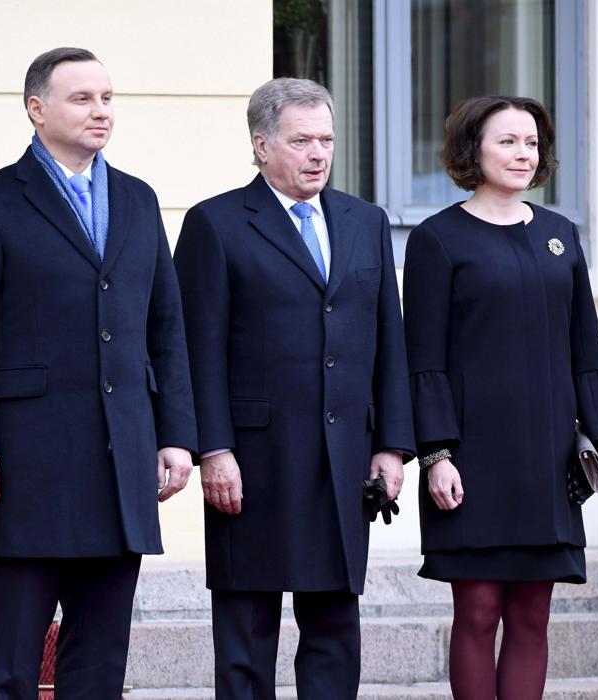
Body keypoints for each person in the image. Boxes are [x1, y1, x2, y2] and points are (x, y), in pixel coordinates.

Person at [0, 47, 197, 699]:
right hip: (29, 463)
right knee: (13, 660)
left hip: (122, 461)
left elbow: (165, 328)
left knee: (101, 657)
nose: (100, 111)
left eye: (107, 98)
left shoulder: (139, 200)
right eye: (82, 98)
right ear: (37, 109)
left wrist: (176, 436)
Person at [173, 78, 416, 700]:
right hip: (253, 460)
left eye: (327, 140)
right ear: (261, 145)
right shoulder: (216, 223)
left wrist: (391, 445)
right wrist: (213, 450)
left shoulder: (365, 221)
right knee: (248, 634)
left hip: (343, 461)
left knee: (335, 629)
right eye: (301, 140)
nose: (318, 154)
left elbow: (389, 337)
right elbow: (197, 350)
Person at [403, 96, 598, 700]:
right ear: (473, 148)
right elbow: (422, 359)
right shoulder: (436, 239)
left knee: (531, 616)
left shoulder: (560, 234)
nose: (523, 153)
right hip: (471, 460)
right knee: (477, 613)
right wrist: (436, 454)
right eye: (507, 141)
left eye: (530, 142)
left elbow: (586, 345)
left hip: (549, 460)